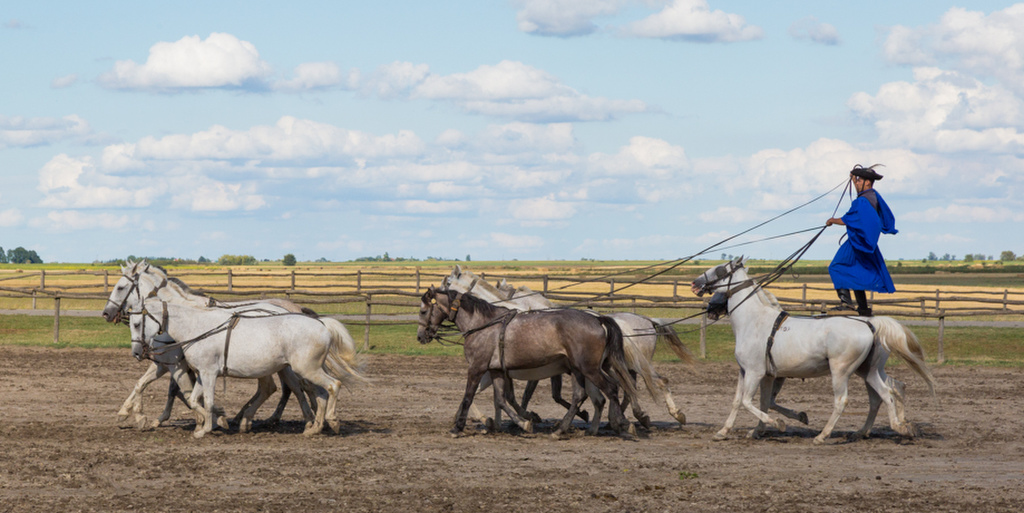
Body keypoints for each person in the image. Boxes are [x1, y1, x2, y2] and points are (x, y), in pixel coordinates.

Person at [825, 164, 897, 316]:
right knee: (856, 272)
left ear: (867, 182)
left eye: (859, 181)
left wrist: (832, 220)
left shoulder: (862, 201)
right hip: (863, 242)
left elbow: (849, 218)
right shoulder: (872, 196)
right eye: (856, 181)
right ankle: (863, 308)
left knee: (835, 267)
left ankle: (846, 304)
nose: (856, 183)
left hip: (856, 243)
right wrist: (853, 179)